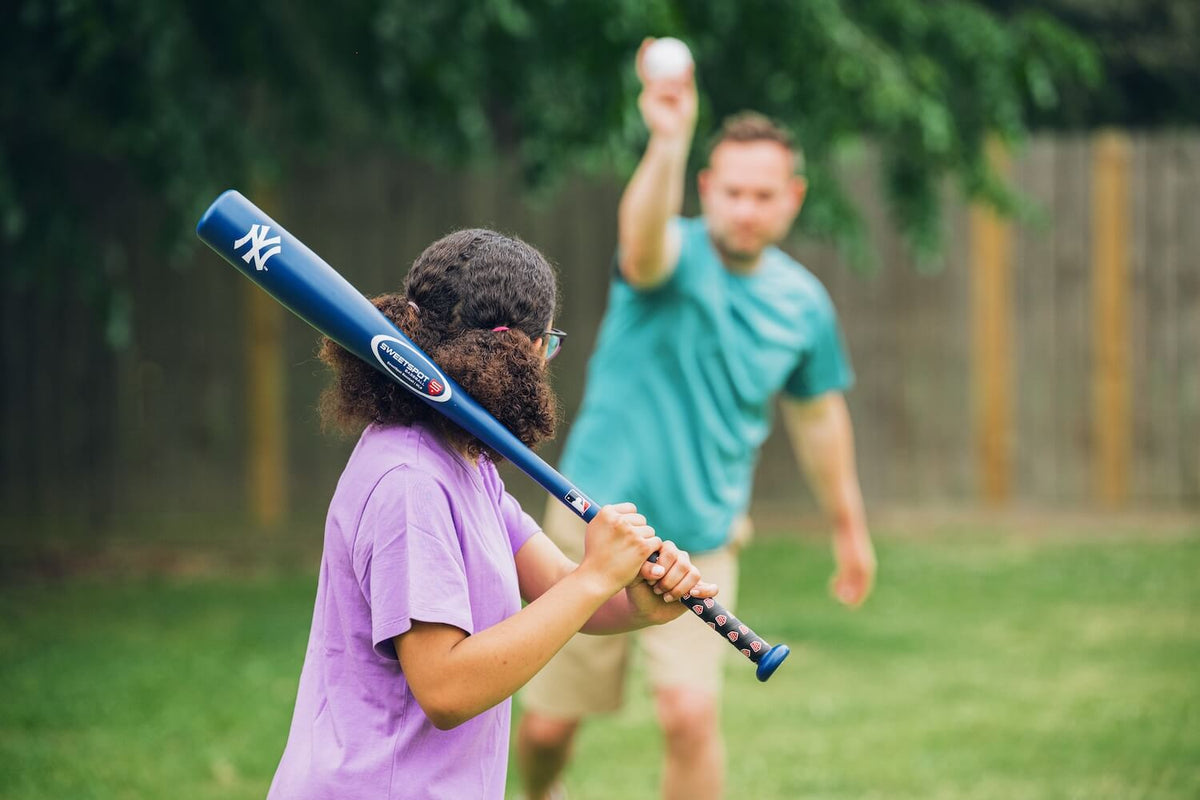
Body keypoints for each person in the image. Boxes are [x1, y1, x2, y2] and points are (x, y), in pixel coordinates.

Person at [516, 39, 877, 800]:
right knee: (548, 728)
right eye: (733, 191)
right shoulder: (667, 258)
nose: (746, 209)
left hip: (701, 540)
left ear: (794, 197)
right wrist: (669, 139)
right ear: (706, 188)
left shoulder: (802, 304)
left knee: (688, 715)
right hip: (591, 522)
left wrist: (849, 526)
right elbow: (640, 240)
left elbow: (818, 421)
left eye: (764, 194)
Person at [265, 229, 718, 800]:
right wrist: (597, 576)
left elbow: (556, 588)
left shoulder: (464, 462)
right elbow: (446, 689)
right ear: (525, 350)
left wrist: (635, 604)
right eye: (548, 345)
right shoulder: (410, 482)